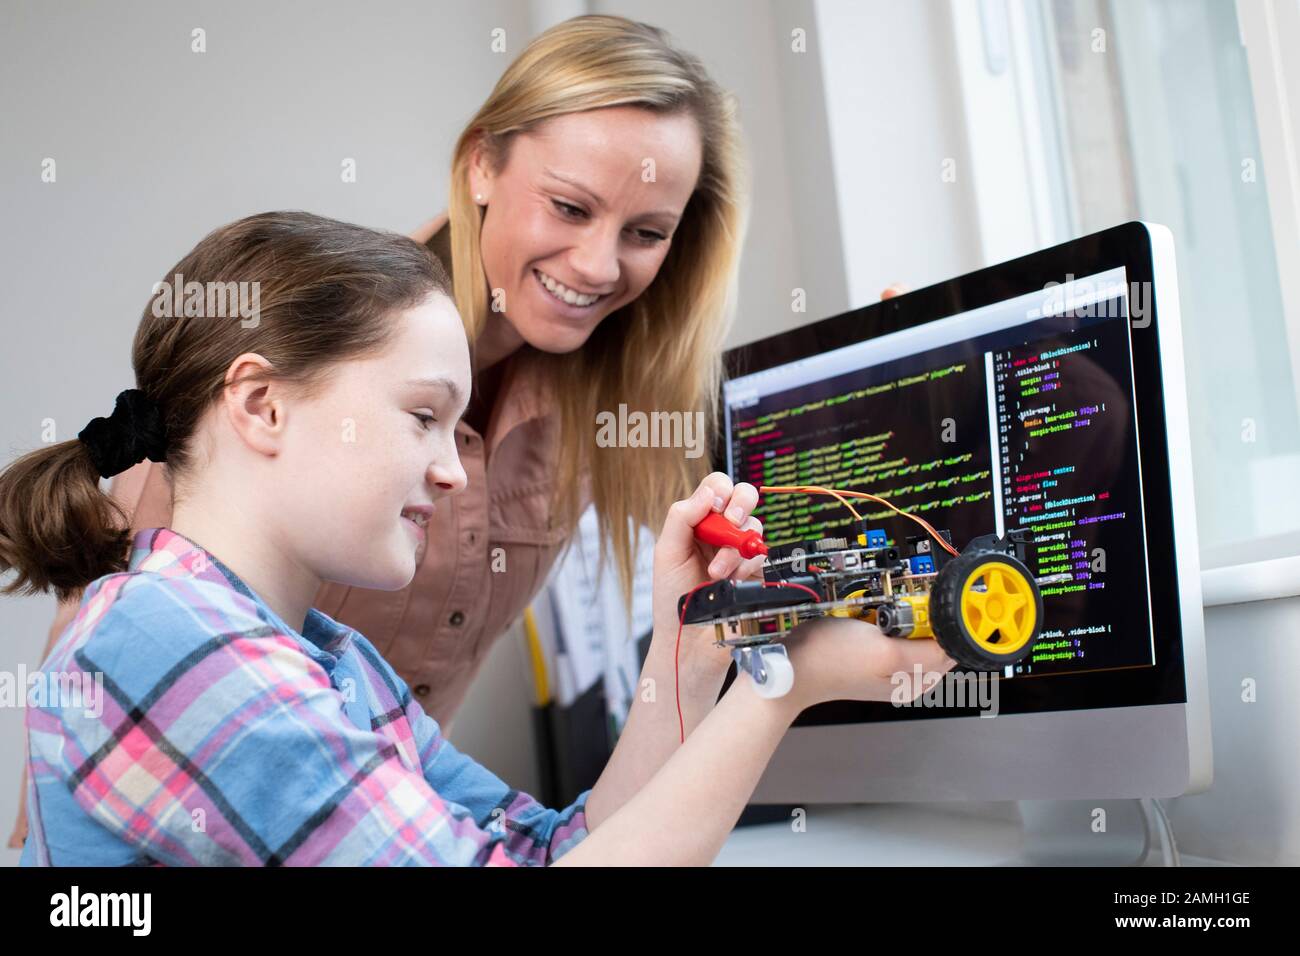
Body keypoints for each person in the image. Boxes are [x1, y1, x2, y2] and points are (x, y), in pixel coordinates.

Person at [0, 211, 955, 865]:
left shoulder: (327, 659)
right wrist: (785, 686)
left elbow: (552, 851)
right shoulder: (173, 640)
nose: (455, 471)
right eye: (422, 417)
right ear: (260, 405)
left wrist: (687, 650)